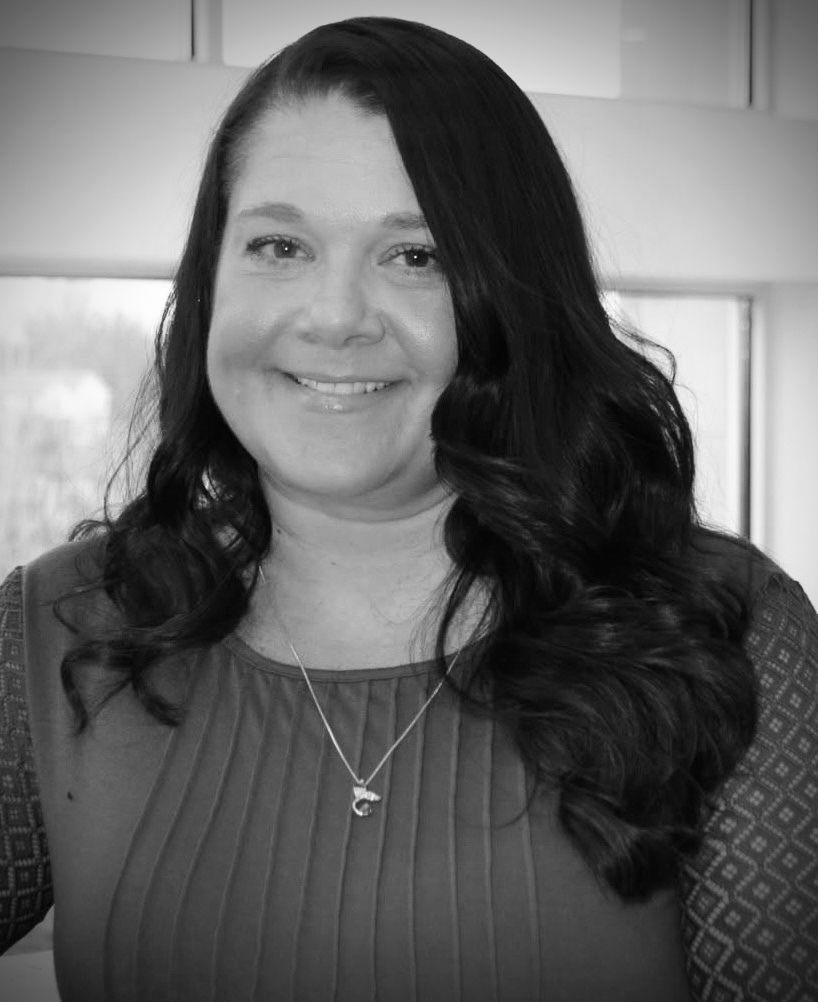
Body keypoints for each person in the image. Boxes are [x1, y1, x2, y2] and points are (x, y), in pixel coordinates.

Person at [1, 16, 815, 1002]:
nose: (335, 316)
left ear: (514, 301)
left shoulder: (726, 635)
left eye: (415, 256)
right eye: (277, 244)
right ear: (210, 280)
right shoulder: (55, 632)